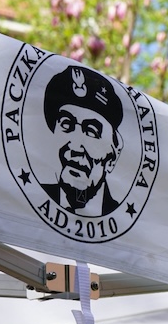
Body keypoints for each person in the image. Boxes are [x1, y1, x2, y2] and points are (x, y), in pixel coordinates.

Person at [42, 65, 124, 216]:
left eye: (91, 131)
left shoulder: (128, 222)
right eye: (66, 125)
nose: (75, 147)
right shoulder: (22, 202)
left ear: (112, 158)